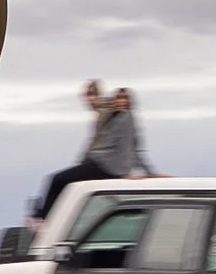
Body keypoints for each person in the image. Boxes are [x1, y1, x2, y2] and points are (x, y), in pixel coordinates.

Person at [37, 81, 156, 214]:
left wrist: (149, 173)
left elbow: (132, 149)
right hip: (98, 162)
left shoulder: (124, 116)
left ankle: (43, 218)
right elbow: (94, 142)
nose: (121, 102)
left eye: (124, 99)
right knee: (70, 187)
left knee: (57, 180)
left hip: (104, 166)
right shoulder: (109, 115)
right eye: (119, 98)